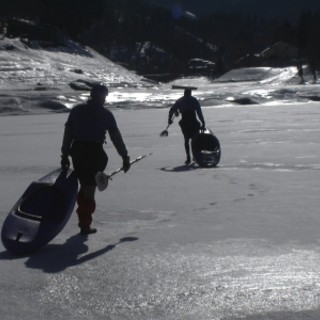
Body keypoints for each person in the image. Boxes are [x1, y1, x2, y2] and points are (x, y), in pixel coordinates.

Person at [60, 83, 130, 235]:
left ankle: (82, 219)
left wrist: (64, 155)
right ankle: (85, 225)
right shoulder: (106, 114)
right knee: (89, 189)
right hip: (94, 154)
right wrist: (124, 156)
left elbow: (68, 134)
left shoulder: (77, 111)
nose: (105, 100)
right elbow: (116, 137)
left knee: (85, 186)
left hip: (77, 153)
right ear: (101, 96)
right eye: (104, 96)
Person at [168, 88, 205, 164]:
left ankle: (188, 157)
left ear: (184, 93)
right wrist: (203, 122)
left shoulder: (180, 100)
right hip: (193, 121)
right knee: (195, 139)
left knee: (186, 140)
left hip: (184, 122)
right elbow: (199, 113)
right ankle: (195, 156)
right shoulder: (194, 100)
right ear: (190, 93)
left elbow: (172, 109)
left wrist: (170, 119)